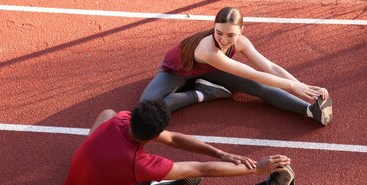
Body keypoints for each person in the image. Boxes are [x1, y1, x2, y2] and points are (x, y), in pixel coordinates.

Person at [62, 100, 295, 185]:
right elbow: (202, 170)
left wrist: (220, 152)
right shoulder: (138, 163)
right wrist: (256, 168)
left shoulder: (122, 118)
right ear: (153, 136)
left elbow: (172, 138)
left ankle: (97, 164)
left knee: (107, 113)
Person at [139, 6, 332, 125]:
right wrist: (291, 86)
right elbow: (253, 73)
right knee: (146, 110)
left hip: (210, 71)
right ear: (214, 27)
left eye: (231, 35)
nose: (224, 40)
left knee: (260, 88)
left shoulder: (242, 42)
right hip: (176, 73)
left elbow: (269, 67)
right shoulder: (208, 50)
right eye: (219, 33)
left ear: (241, 31)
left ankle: (309, 111)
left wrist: (302, 86)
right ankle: (203, 93)